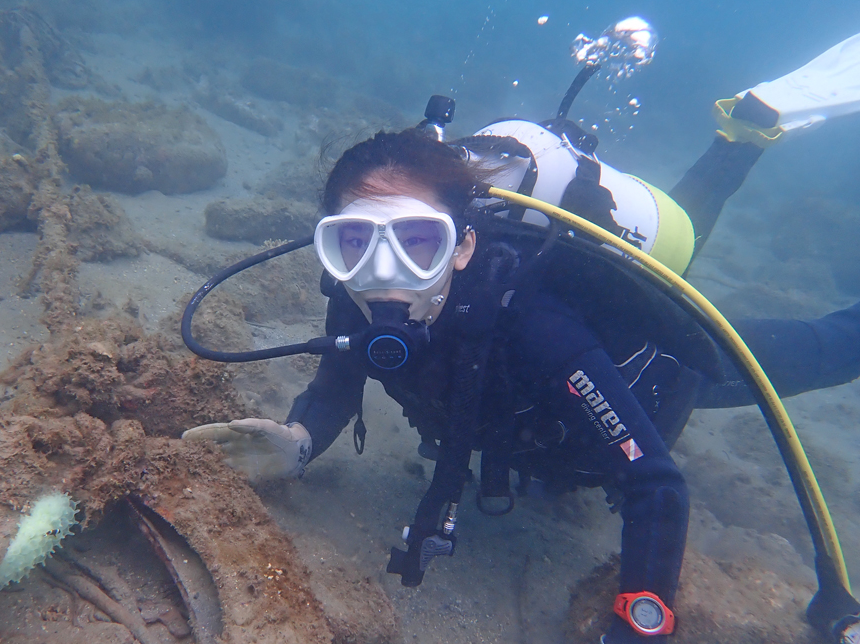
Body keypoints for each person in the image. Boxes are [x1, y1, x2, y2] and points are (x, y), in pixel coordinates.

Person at [183, 33, 860, 643]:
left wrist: (641, 617)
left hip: (660, 378)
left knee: (825, 348)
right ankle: (737, 142)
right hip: (533, 429)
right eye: (354, 242)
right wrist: (298, 442)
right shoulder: (358, 301)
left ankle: (739, 142)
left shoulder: (537, 325)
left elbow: (655, 482)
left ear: (464, 246)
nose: (383, 274)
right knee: (693, 225)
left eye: (419, 242)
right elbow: (334, 385)